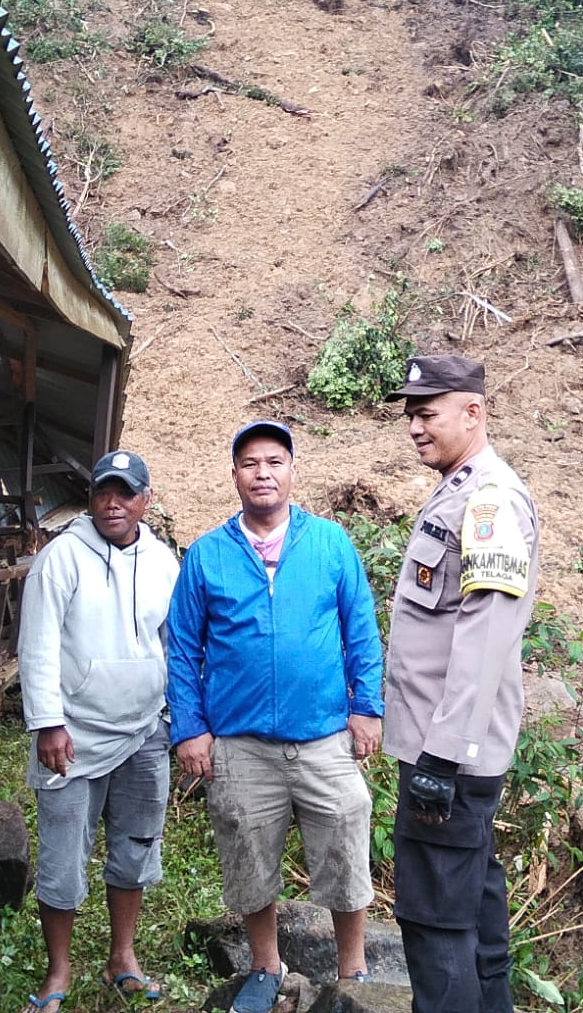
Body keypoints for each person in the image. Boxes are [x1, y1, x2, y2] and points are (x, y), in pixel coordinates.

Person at [167, 420, 383, 1012]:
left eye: (274, 461)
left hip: (323, 736)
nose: (263, 473)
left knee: (345, 837)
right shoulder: (209, 554)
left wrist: (367, 707)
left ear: (292, 470)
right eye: (250, 463)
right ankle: (265, 966)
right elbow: (184, 647)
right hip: (240, 741)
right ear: (234, 474)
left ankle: (354, 968)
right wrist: (190, 728)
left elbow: (361, 629)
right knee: (247, 851)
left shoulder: (330, 543)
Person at [382, 354, 539, 1013]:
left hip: (447, 756)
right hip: (447, 751)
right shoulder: (459, 488)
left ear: (473, 412)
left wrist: (441, 756)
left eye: (427, 412)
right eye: (410, 415)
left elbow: (485, 632)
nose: (415, 427)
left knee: (434, 923)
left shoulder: (489, 499)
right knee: (472, 901)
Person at [18, 450, 179, 1012]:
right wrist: (48, 723)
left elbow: (170, 642)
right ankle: (58, 971)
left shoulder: (163, 561)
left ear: (145, 500)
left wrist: (177, 718)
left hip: (144, 731)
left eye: (125, 493)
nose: (113, 503)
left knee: (135, 845)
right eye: (103, 492)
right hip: (73, 735)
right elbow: (36, 644)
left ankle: (122, 958)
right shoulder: (61, 558)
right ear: (90, 499)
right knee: (63, 854)